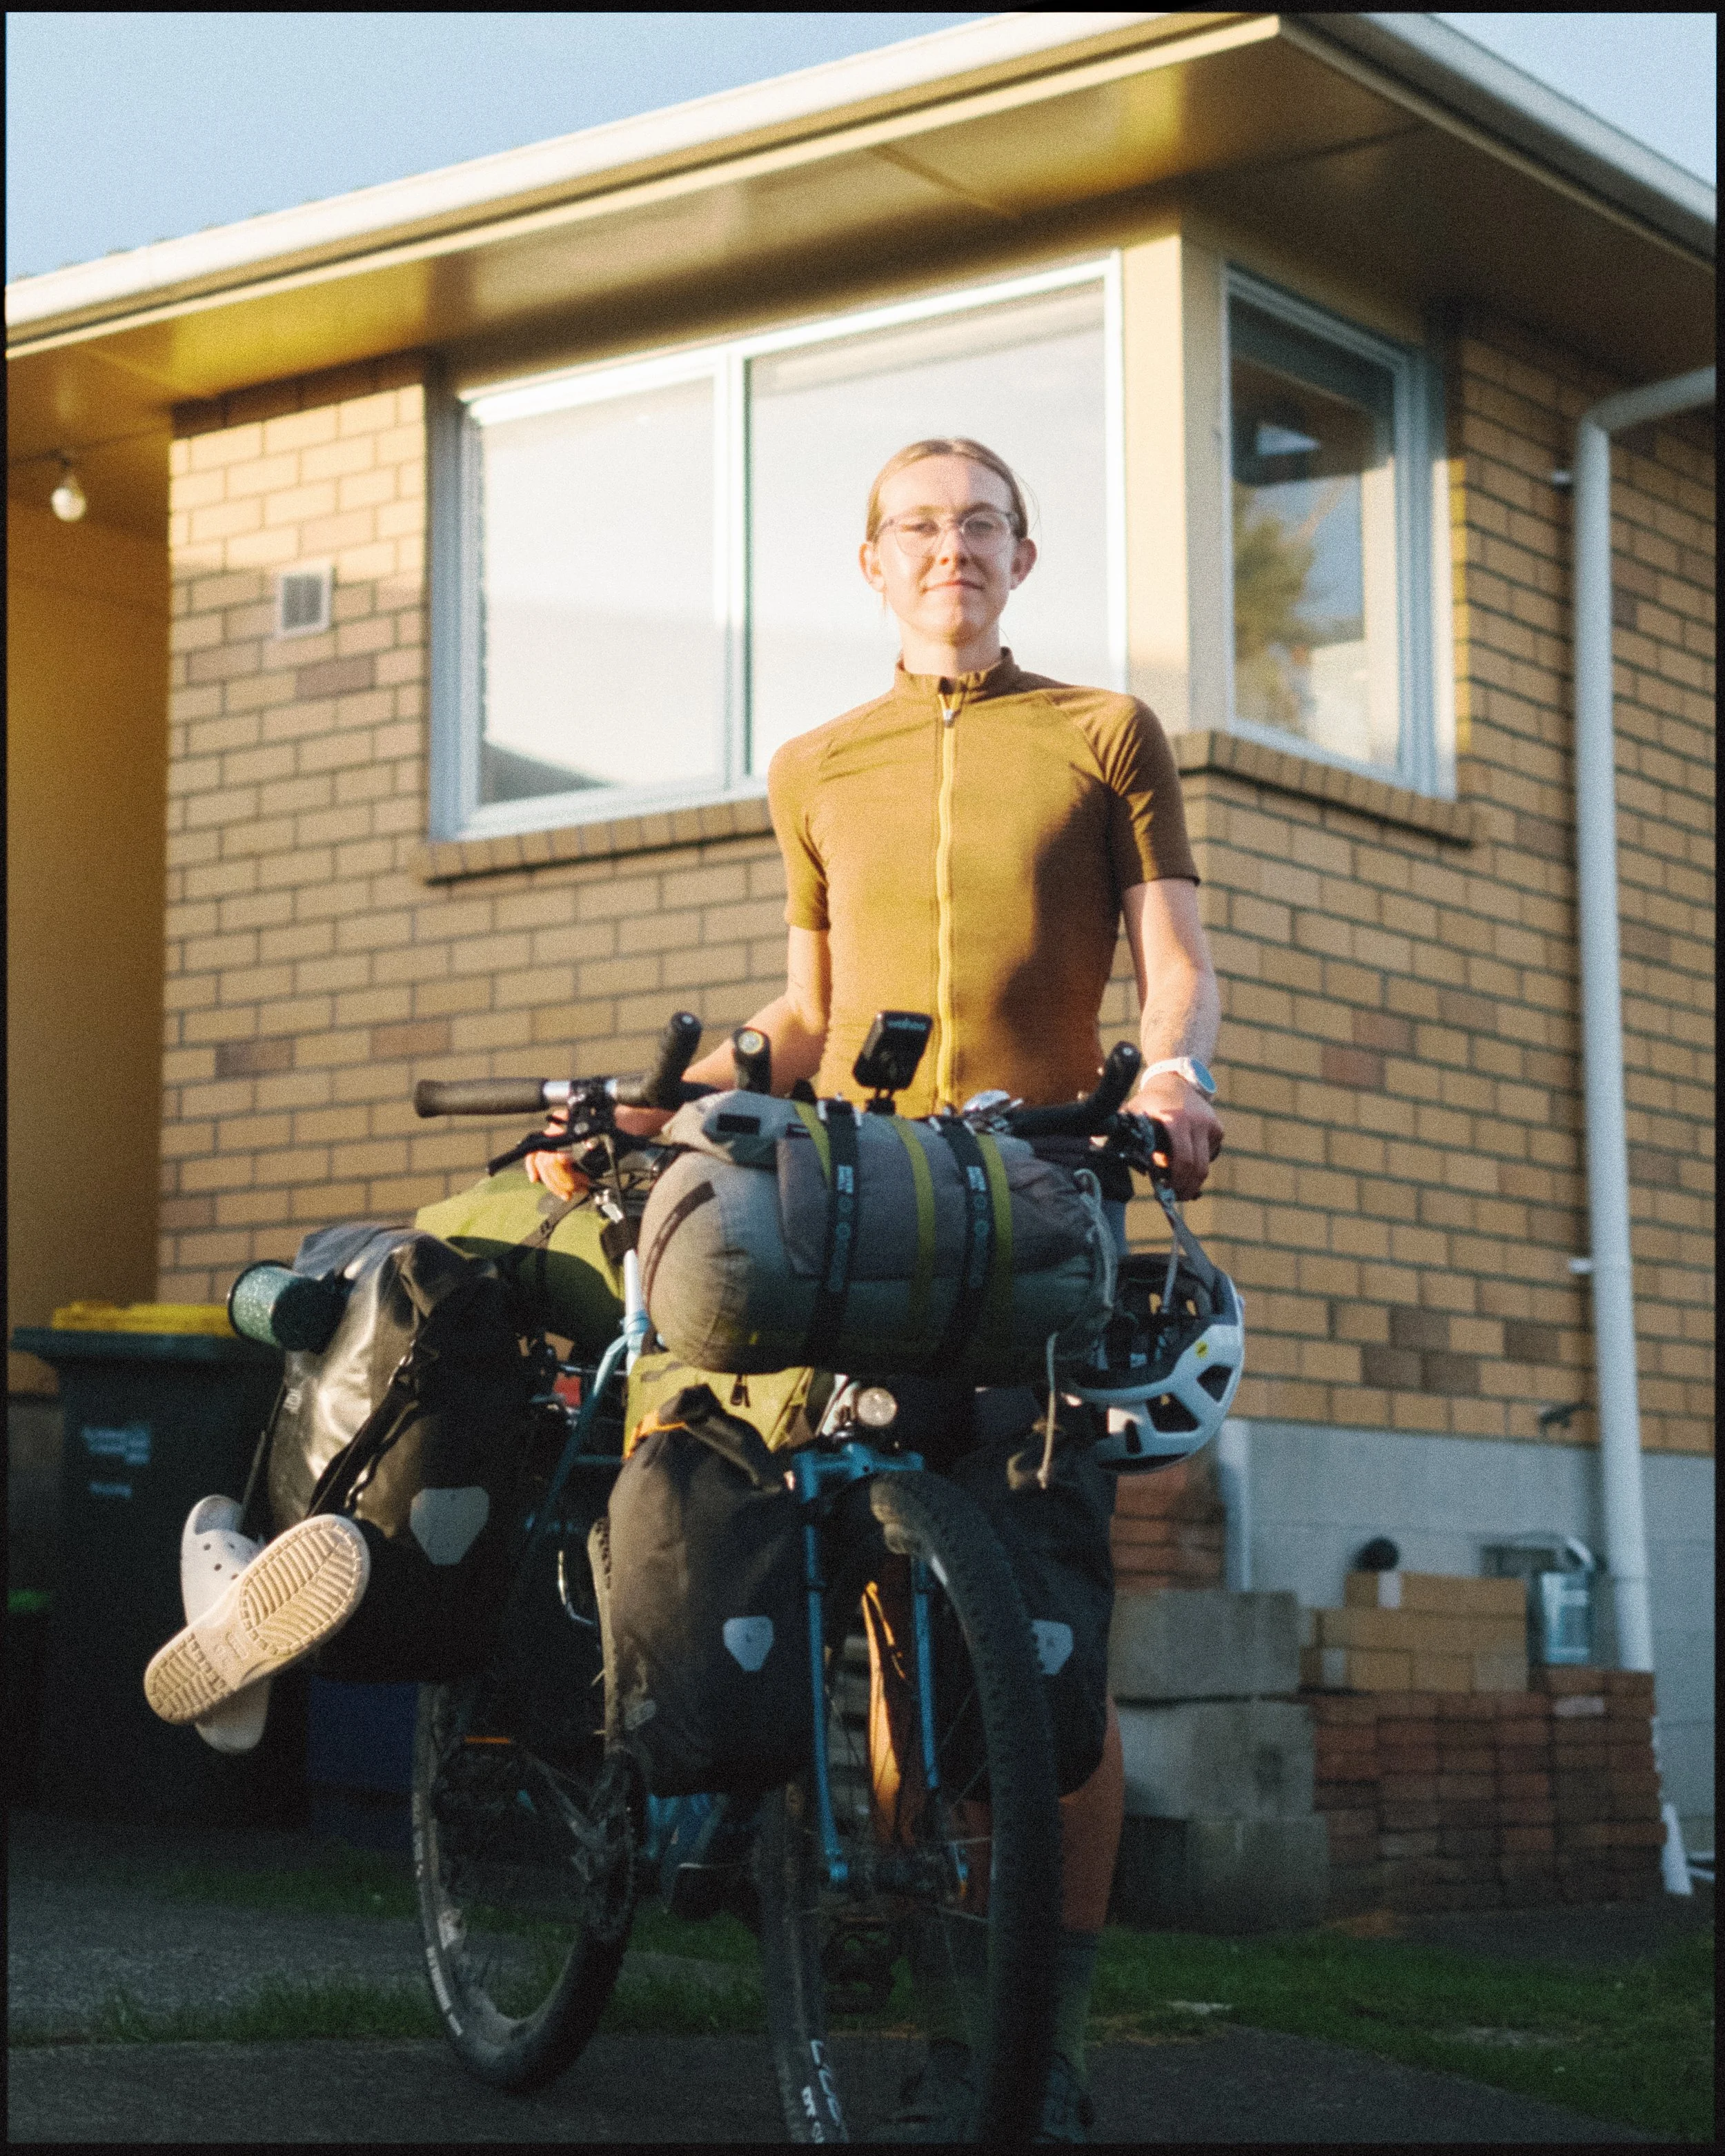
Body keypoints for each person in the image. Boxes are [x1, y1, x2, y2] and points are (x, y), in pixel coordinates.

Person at [527, 435, 1223, 2139]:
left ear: (1023, 552)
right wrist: (666, 1096)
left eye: (978, 524)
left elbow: (1176, 957)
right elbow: (807, 1015)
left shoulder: (1101, 735)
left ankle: (1037, 2040)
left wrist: (1173, 1074)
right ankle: (927, 1987)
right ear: (870, 562)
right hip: (860, 1210)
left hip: (1042, 1192)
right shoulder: (813, 761)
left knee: (1046, 1647)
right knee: (890, 1626)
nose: (949, 550)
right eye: (917, 527)